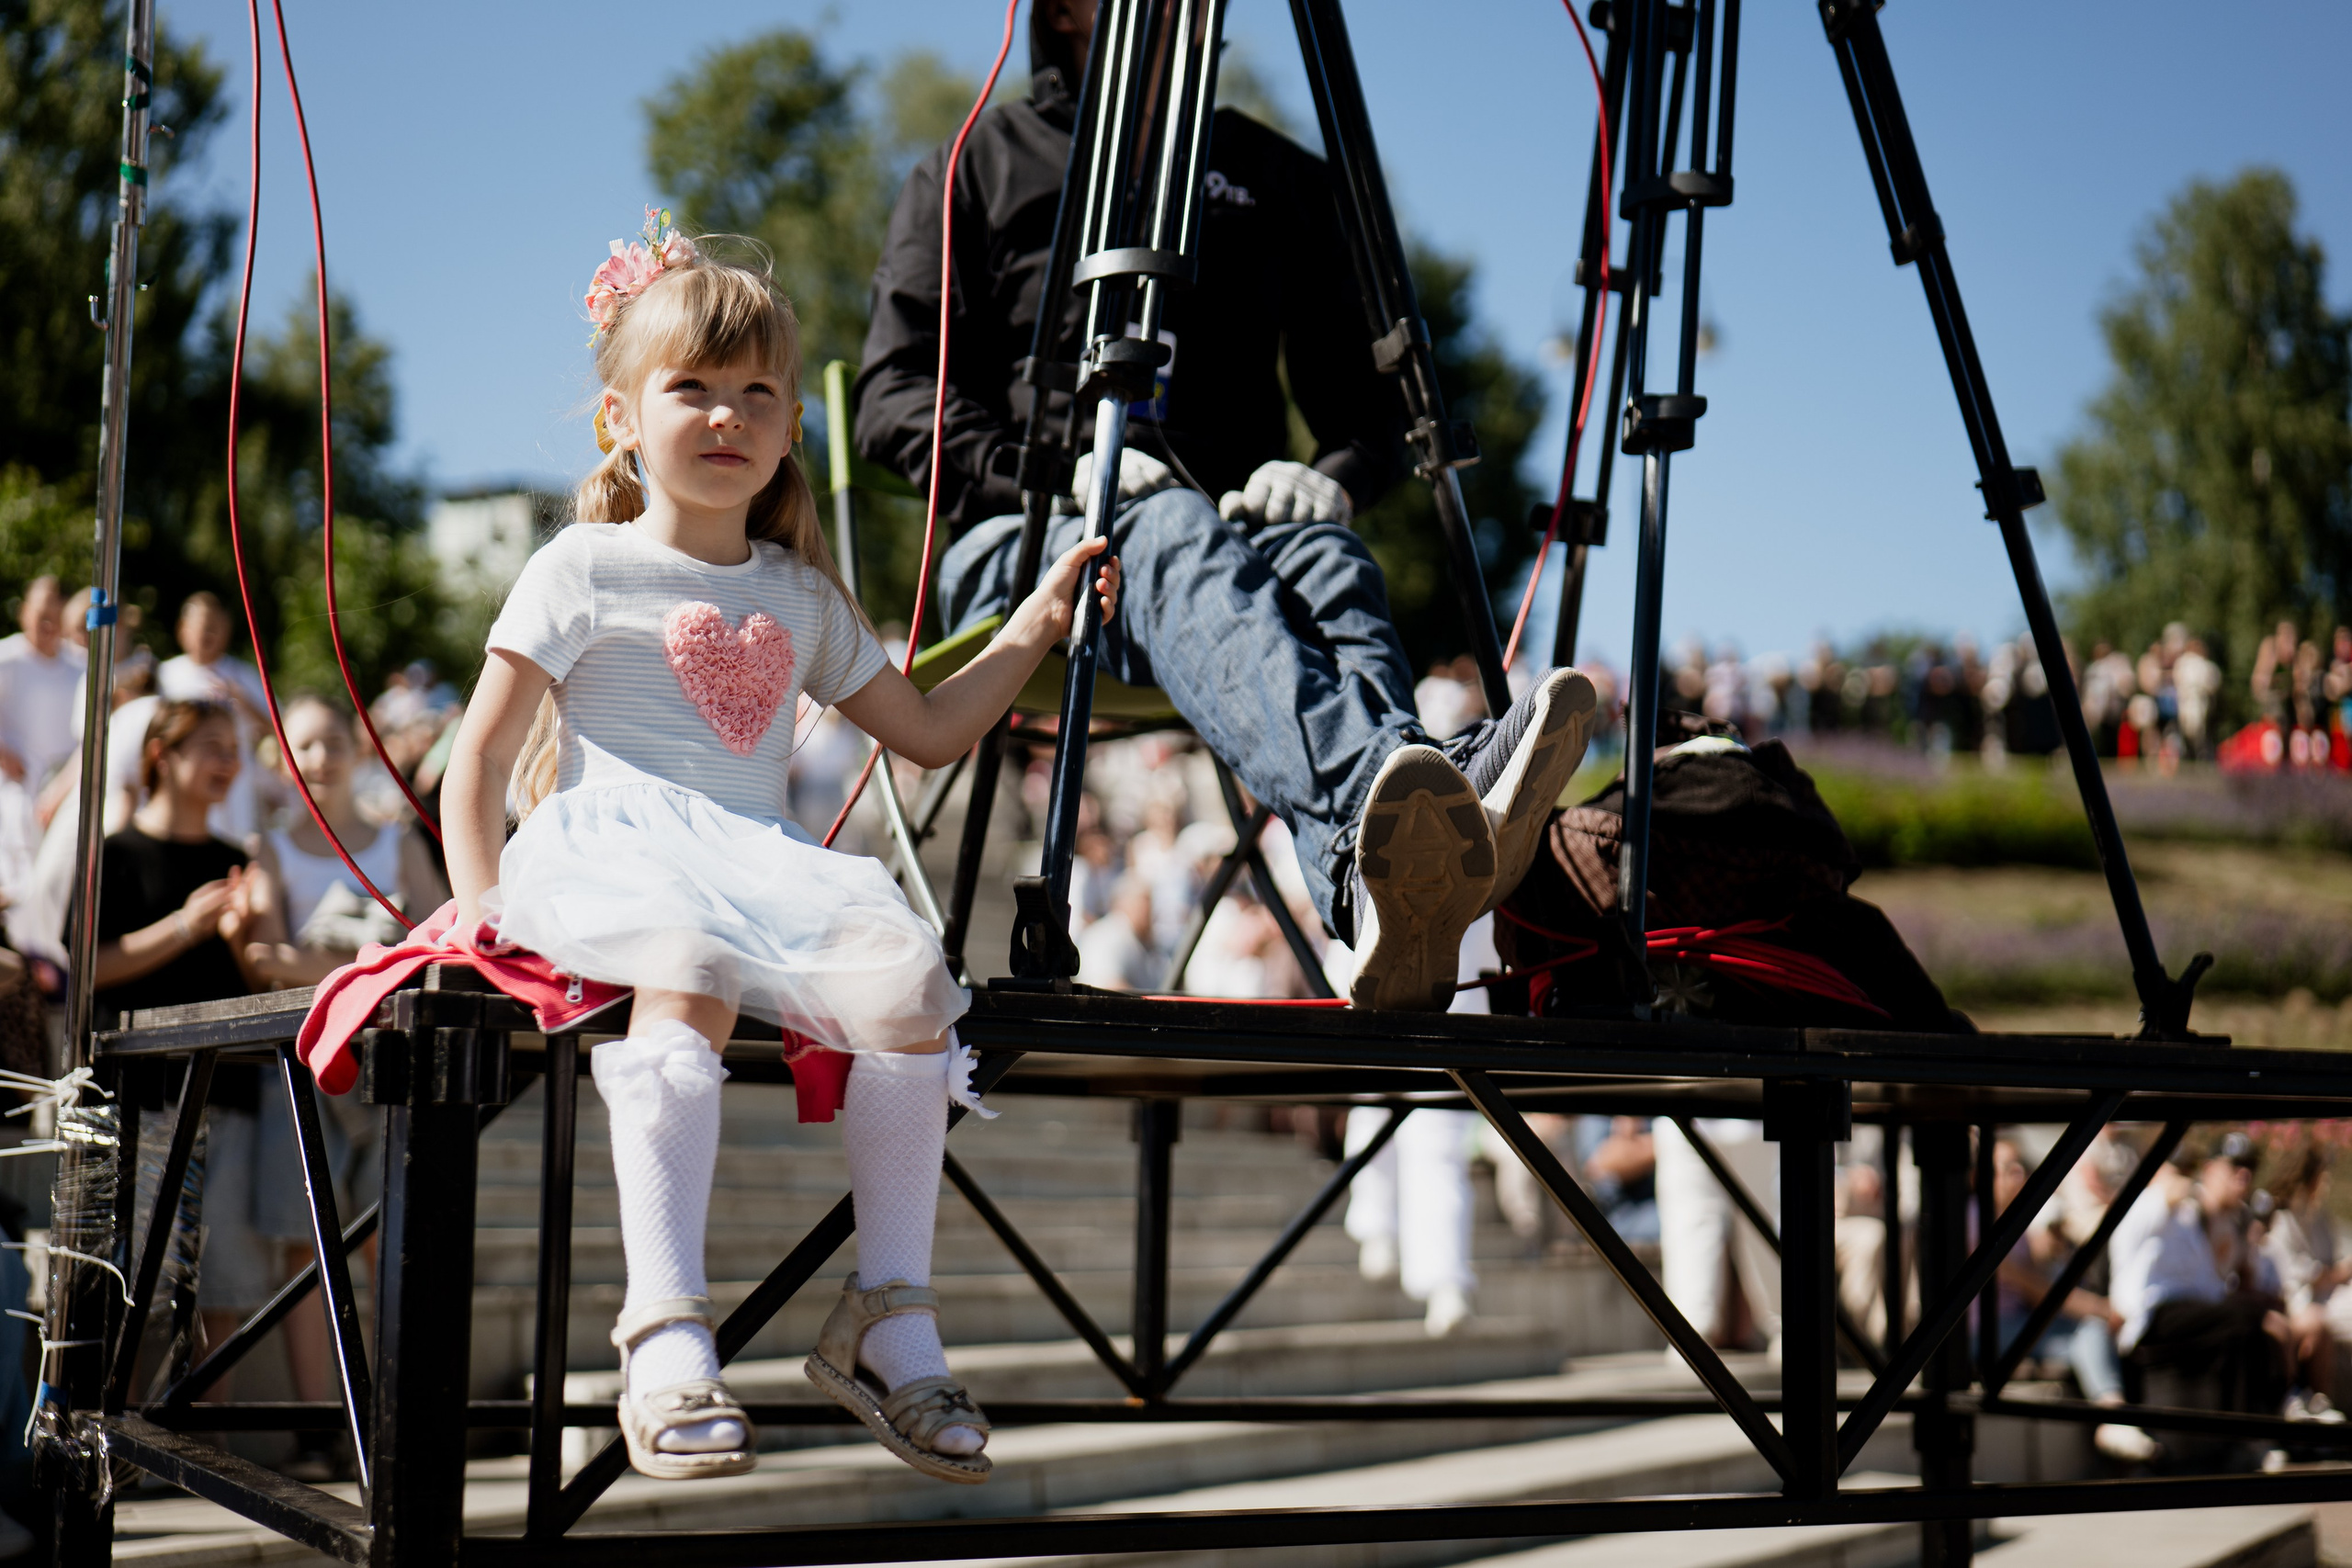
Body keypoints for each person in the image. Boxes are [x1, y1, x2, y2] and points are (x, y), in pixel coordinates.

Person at [439, 220, 1121, 1484]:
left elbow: (923, 732)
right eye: (690, 386)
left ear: (788, 429)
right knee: (685, 956)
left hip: (758, 854)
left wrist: (1032, 626)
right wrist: (477, 901)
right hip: (613, 842)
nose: (725, 415)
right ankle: (665, 1326)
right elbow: (476, 756)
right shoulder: (582, 563)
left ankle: (891, 1315)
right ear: (619, 419)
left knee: (914, 986)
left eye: (758, 391)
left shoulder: (800, 596)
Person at [855, 0, 1598, 1010]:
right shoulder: (975, 162)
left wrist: (1332, 474)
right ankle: (1403, 798)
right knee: (1161, 527)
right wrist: (1057, 473)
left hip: (1236, 552)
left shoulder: (1276, 176)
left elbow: (1369, 409)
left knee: (1327, 549)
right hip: (1023, 546)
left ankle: (1372, 877)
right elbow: (892, 397)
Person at [86, 699, 293, 1393]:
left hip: (228, 1095)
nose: (227, 762)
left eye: (232, 748)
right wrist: (182, 927)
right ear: (161, 756)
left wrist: (238, 932)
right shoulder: (114, 853)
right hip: (136, 1103)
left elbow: (259, 975)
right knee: (131, 1275)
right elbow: (91, 965)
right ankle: (125, 1439)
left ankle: (202, 1441)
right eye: (210, 746)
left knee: (222, 1279)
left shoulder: (238, 861)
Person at [1984, 1137, 2149, 1463]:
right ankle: (2113, 1414)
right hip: (1987, 1333)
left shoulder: (2013, 1220)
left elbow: (2037, 1280)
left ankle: (2113, 1416)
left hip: (2015, 1325)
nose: (2019, 1175)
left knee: (2089, 1333)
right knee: (2086, 1332)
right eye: (2008, 1169)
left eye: (2021, 1167)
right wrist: (2099, 1308)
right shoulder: (1976, 1219)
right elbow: (2037, 1291)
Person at [2110, 1143, 2291, 1427]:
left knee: (2250, 1328)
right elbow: (2126, 1241)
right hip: (2154, 1315)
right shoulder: (2144, 1204)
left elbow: (2210, 1286)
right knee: (2244, 1318)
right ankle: (2243, 1434)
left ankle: (2264, 1424)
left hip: (2193, 1313)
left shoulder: (2192, 1220)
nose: (2182, 1178)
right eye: (2178, 1169)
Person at [157, 591, 274, 840]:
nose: (208, 635)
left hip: (233, 785)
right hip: (183, 782)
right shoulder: (165, 675)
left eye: (215, 628)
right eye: (203, 627)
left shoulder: (242, 675)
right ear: (183, 629)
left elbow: (276, 727)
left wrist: (242, 700)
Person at [0, 576, 87, 800]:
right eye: (42, 617)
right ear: (25, 612)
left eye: (56, 618)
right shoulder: (5, 658)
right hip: (11, 796)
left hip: (61, 798)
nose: (48, 626)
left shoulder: (81, 664)